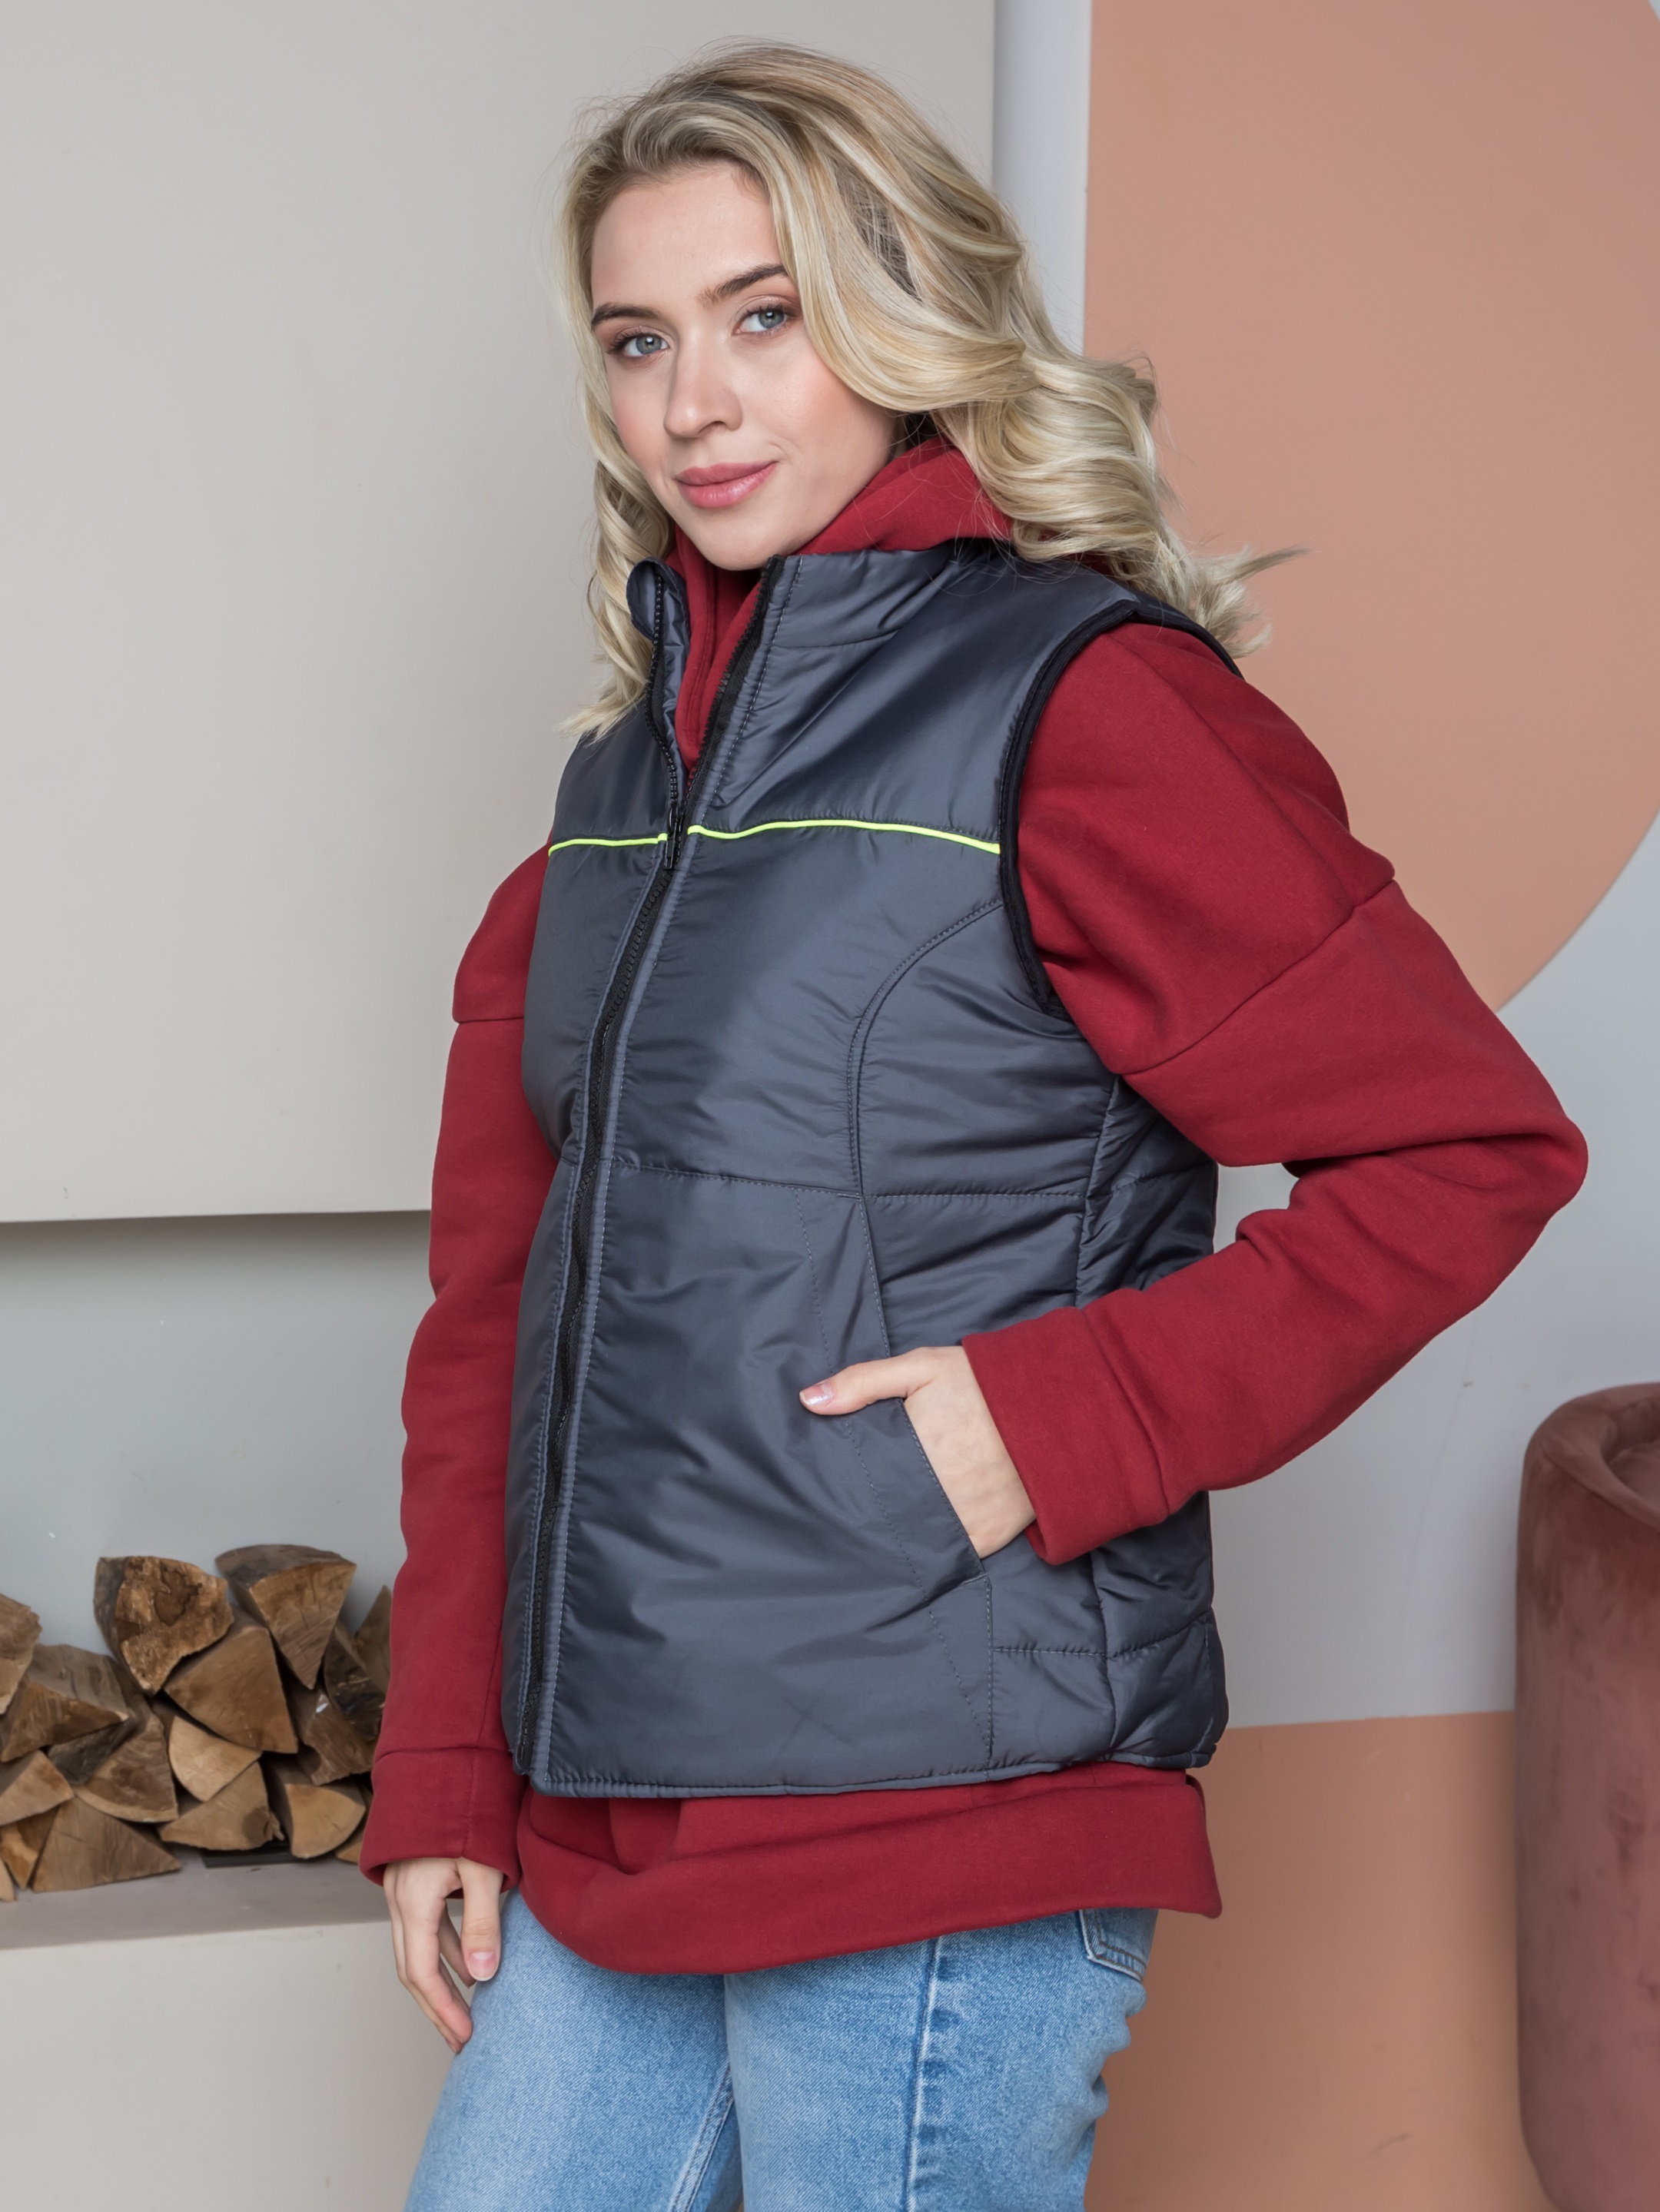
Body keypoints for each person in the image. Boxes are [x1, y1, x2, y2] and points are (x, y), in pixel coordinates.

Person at [360, 41, 1585, 2212]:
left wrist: (1067, 1413)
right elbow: (497, 1326)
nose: (697, 403)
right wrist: (448, 1762)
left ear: (900, 318)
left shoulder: (1087, 706)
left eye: (766, 316)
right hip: (615, 1817)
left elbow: (1470, 1146)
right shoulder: (616, 800)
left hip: (949, 1813)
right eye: (639, 342)